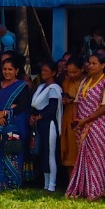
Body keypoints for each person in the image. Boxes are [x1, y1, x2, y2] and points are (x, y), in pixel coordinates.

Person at [66, 52, 105, 201]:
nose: (90, 66)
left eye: (94, 63)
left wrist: (86, 119)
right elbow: (77, 102)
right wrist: (76, 118)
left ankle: (97, 191)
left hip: (97, 125)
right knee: (83, 156)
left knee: (97, 157)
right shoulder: (85, 81)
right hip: (82, 124)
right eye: (89, 63)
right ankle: (83, 189)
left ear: (102, 65)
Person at [0, 54, 30, 191]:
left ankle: (12, 183)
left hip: (14, 126)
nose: (7, 72)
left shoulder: (22, 86)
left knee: (12, 152)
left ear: (16, 71)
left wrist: (4, 113)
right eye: (4, 69)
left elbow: (22, 105)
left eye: (10, 69)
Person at [29, 61, 62, 193]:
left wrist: (39, 116)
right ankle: (45, 183)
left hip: (49, 123)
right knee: (43, 152)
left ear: (53, 72)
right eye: (42, 70)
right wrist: (33, 116)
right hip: (40, 122)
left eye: (46, 70)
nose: (43, 73)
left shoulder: (53, 88)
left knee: (50, 153)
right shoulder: (42, 87)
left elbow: (52, 109)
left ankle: (52, 184)